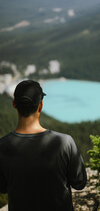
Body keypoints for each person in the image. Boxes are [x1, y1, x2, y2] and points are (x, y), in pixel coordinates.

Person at [0, 80, 87, 211]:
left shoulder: (2, 146)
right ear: (40, 105)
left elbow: (2, 188)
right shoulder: (65, 142)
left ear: (14, 104)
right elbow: (80, 183)